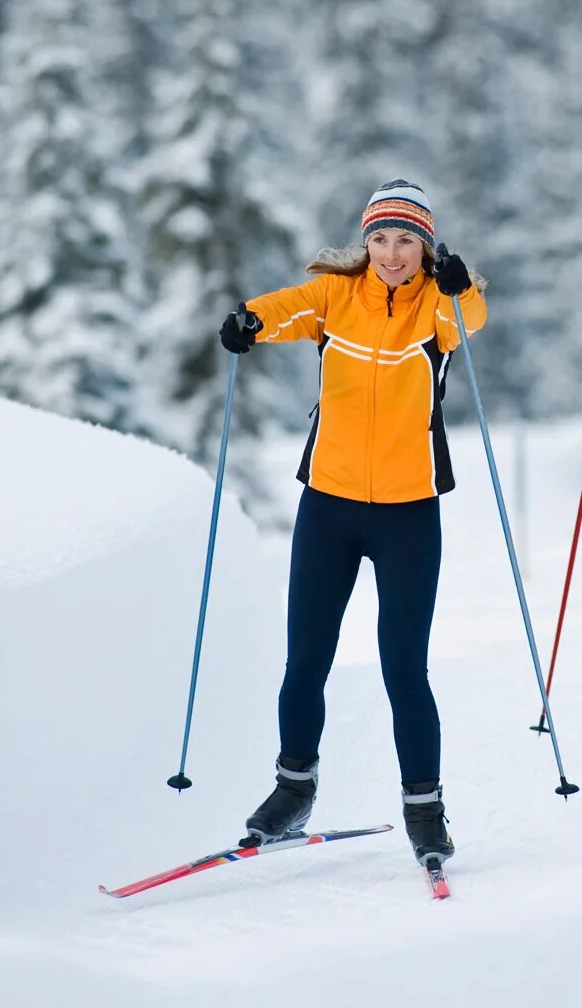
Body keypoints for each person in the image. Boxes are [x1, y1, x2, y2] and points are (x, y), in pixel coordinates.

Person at [216, 178, 485, 868]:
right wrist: (248, 318)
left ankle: (425, 809)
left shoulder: (436, 303)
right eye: (380, 239)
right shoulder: (336, 295)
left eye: (405, 241)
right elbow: (284, 308)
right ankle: (292, 791)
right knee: (306, 659)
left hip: (408, 512)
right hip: (329, 504)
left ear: (424, 247)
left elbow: (468, 320)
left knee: (404, 667)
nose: (391, 253)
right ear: (364, 243)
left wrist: (460, 286)